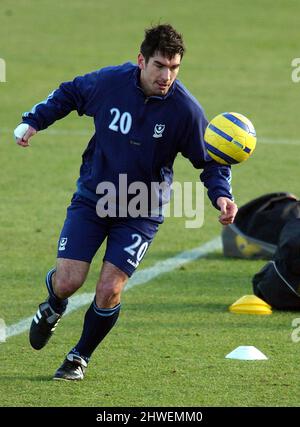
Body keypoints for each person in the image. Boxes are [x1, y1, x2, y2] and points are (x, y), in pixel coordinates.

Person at [15, 24, 238, 381]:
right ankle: (54, 305)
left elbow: (210, 160)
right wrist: (34, 122)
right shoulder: (109, 83)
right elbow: (70, 93)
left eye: (174, 68)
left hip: (141, 209)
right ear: (141, 61)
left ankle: (78, 357)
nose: (167, 76)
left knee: (109, 288)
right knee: (68, 281)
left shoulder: (185, 111)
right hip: (94, 197)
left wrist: (222, 195)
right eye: (160, 66)